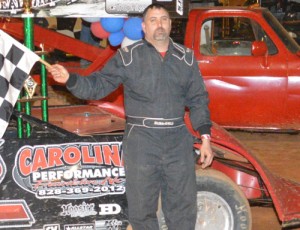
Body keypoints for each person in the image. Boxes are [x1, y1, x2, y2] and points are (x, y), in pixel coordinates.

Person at [47, 3, 213, 229]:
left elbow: (198, 99)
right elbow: (97, 85)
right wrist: (70, 79)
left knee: (183, 209)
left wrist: (205, 138)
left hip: (177, 141)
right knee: (141, 210)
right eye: (153, 20)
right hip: (141, 142)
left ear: (171, 24)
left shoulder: (186, 58)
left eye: (164, 19)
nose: (159, 25)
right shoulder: (127, 57)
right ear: (144, 27)